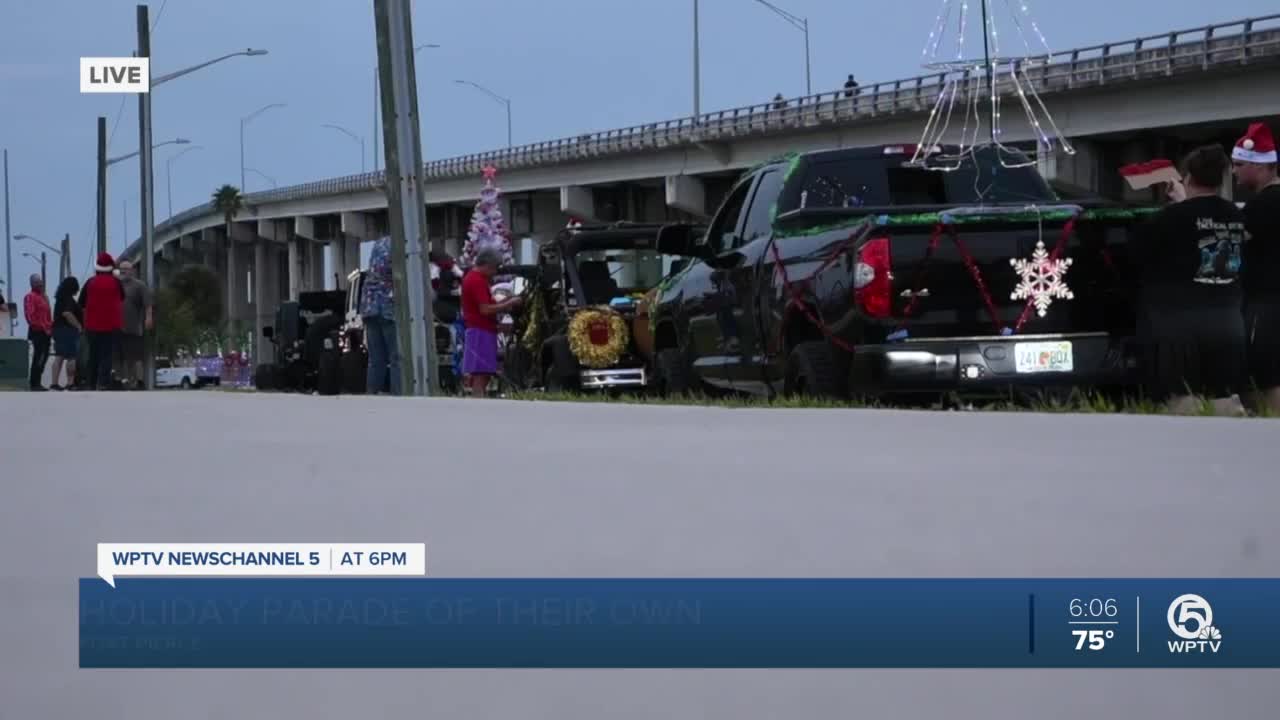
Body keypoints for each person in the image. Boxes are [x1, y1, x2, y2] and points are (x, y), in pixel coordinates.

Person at [1135, 145, 1248, 415]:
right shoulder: (1236, 216)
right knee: (1226, 404)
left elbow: (1141, 260)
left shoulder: (1166, 219)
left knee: (1184, 407)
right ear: (1222, 178)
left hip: (1179, 330)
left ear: (1186, 177)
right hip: (1229, 325)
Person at [1231, 122, 1280, 414]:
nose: (1234, 171)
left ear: (1259, 166)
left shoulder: (1261, 208)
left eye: (1238, 164)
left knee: (1268, 379)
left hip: (1267, 305)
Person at [460, 248, 522, 398]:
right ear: (487, 265)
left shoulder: (477, 279)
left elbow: (490, 305)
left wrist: (507, 302)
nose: (495, 272)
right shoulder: (476, 280)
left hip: (484, 329)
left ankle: (479, 398)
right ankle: (478, 400)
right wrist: (509, 303)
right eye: (495, 268)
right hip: (479, 331)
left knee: (485, 372)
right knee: (481, 373)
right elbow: (485, 310)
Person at [360, 236, 400, 395]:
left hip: (369, 306)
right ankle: (400, 394)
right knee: (397, 357)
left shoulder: (379, 244)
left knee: (376, 359)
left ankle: (372, 392)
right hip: (388, 307)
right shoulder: (401, 245)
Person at [80, 252, 125, 391]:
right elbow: (122, 297)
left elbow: (81, 302)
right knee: (107, 355)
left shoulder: (90, 282)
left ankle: (90, 383)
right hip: (111, 325)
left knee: (93, 354)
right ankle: (102, 383)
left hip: (92, 326)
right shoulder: (116, 282)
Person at [116, 261, 153, 390]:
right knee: (119, 357)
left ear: (132, 270)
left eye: (126, 269)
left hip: (134, 328)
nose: (123, 271)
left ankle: (139, 381)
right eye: (121, 269)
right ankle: (121, 381)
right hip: (117, 328)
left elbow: (148, 304)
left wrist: (149, 318)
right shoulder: (116, 285)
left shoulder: (139, 285)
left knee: (136, 357)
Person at [49, 276, 83, 391]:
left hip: (57, 329)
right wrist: (78, 325)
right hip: (68, 330)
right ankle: (70, 382)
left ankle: (54, 383)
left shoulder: (60, 298)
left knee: (59, 356)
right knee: (71, 357)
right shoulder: (69, 299)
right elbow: (67, 313)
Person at [23, 273, 52, 391]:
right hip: (37, 331)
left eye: (40, 281)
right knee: (38, 356)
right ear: (32, 284)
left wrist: (50, 327)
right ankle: (34, 383)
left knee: (44, 356)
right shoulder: (30, 297)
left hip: (46, 332)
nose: (40, 283)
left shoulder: (44, 297)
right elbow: (29, 315)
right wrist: (38, 325)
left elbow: (48, 315)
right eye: (37, 282)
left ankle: (37, 381)